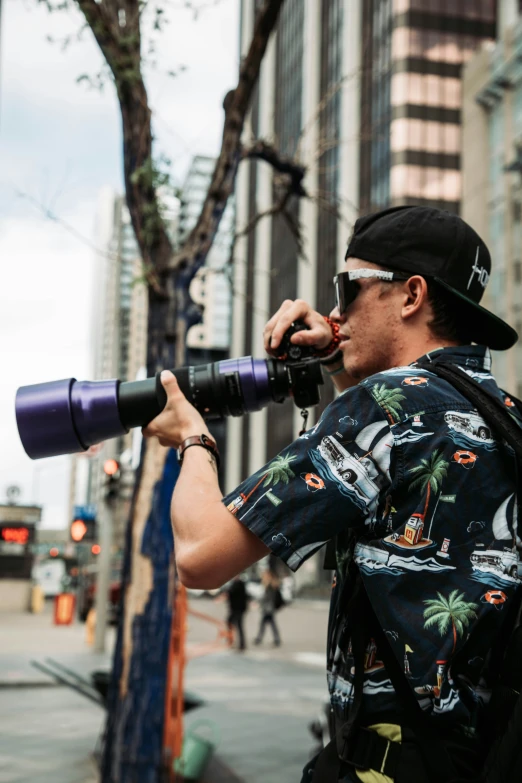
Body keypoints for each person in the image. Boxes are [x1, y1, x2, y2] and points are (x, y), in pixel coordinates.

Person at [143, 206, 521, 783]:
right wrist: (335, 357)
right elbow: (385, 464)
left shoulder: (383, 409)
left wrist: (193, 439)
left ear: (411, 294)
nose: (336, 313)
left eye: (348, 289)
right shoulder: (505, 418)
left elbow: (200, 556)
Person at [253, 569, 281, 647]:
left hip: (268, 608)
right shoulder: (272, 584)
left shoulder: (270, 585)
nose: (263, 577)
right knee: (270, 624)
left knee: (266, 624)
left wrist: (260, 603)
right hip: (269, 608)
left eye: (264, 575)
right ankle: (276, 639)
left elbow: (267, 598)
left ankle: (260, 639)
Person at [225, 575, 249, 651]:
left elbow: (231, 592)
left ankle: (239, 643)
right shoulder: (237, 584)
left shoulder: (239, 584)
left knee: (237, 625)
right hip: (236, 609)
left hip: (238, 609)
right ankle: (232, 641)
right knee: (232, 623)